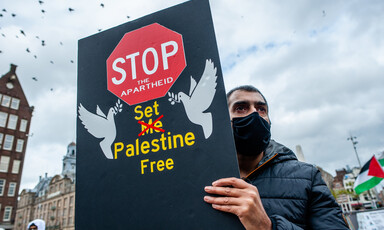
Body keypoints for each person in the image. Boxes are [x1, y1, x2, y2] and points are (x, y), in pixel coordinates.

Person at [204, 85, 349, 229]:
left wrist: (268, 226)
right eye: (241, 108)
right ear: (222, 121)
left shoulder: (308, 177)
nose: (254, 114)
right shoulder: (202, 178)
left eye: (261, 109)